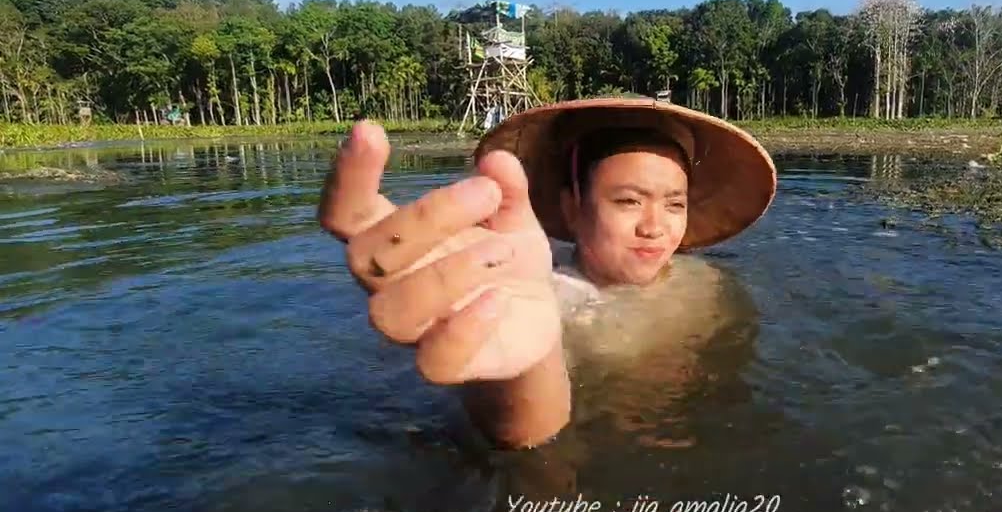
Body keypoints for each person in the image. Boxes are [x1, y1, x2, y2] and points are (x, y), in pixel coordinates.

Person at [317, 97, 777, 451]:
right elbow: (522, 430)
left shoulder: (706, 283)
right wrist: (521, 376)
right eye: (628, 201)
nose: (655, 227)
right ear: (572, 208)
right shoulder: (550, 298)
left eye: (675, 204)